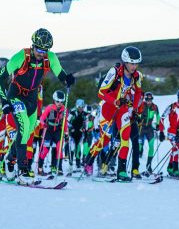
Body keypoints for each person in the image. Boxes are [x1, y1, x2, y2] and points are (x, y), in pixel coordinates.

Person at [0, 28, 76, 182]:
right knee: (24, 125)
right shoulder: (21, 56)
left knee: (27, 132)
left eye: (45, 50)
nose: (41, 53)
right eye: (39, 49)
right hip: (16, 95)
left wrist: (68, 80)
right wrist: (5, 101)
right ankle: (23, 170)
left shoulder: (50, 57)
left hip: (32, 99)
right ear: (32, 45)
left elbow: (61, 74)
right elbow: (0, 78)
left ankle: (10, 160)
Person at [82, 46, 144, 182]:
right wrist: (115, 101)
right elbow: (101, 92)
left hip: (122, 109)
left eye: (136, 63)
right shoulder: (114, 72)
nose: (134, 66)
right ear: (125, 62)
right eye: (131, 63)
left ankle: (121, 171)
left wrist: (133, 109)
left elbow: (138, 92)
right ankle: (88, 163)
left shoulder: (137, 76)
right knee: (105, 139)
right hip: (108, 109)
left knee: (125, 138)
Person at [161, 88, 179, 177]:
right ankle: (175, 169)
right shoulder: (172, 106)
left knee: (175, 149)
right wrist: (161, 131)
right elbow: (162, 118)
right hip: (172, 131)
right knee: (176, 148)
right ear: (178, 97)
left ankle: (170, 167)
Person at [38, 90, 68, 176]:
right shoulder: (50, 108)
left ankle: (59, 168)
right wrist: (43, 124)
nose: (59, 103)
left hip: (58, 131)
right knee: (45, 150)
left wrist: (66, 133)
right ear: (54, 100)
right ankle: (40, 167)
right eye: (58, 101)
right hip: (49, 130)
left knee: (59, 149)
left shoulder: (64, 110)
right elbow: (42, 118)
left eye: (61, 102)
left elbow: (65, 122)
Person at [131, 91, 160, 177]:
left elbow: (157, 116)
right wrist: (137, 119)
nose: (149, 101)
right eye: (147, 99)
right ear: (145, 99)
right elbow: (136, 113)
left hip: (149, 128)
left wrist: (158, 125)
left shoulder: (155, 107)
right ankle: (135, 167)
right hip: (141, 128)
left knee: (151, 146)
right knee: (139, 146)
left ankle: (149, 166)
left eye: (150, 100)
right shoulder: (141, 105)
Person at [68, 99, 89, 169]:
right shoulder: (72, 112)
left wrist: (84, 128)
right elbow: (67, 122)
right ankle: (70, 163)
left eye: (82, 107)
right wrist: (71, 129)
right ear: (77, 106)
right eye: (79, 107)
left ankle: (78, 163)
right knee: (73, 147)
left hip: (80, 133)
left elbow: (86, 123)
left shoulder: (84, 114)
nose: (81, 108)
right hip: (73, 133)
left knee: (79, 148)